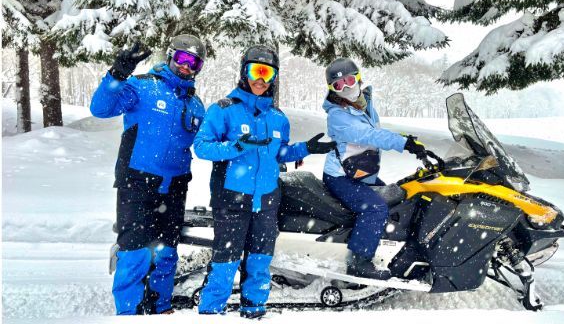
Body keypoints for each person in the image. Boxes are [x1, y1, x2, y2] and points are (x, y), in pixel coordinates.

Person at [192, 45, 334, 318]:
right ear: (244, 72)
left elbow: (278, 154)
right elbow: (202, 147)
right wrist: (236, 147)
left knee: (260, 261)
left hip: (267, 199)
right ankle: (211, 312)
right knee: (226, 261)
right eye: (255, 71)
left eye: (267, 73)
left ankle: (255, 311)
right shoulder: (223, 110)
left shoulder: (277, 118)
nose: (261, 79)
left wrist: (304, 149)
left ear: (273, 78)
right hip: (232, 198)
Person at [89, 35, 209, 315]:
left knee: (166, 252)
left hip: (176, 185)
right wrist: (118, 72)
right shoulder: (142, 87)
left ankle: (159, 308)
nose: (186, 67)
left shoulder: (196, 105)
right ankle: (129, 314)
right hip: (137, 182)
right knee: (135, 252)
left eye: (194, 63)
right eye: (182, 59)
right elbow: (101, 108)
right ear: (170, 56)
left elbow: (208, 142)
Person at [321, 58, 431, 280]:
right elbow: (368, 135)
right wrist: (403, 142)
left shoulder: (365, 105)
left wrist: (407, 141)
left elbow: (374, 132)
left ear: (359, 79)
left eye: (350, 80)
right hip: (341, 177)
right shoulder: (337, 116)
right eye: (339, 85)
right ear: (332, 89)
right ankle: (358, 262)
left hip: (361, 173)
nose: (347, 88)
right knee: (375, 208)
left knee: (399, 200)